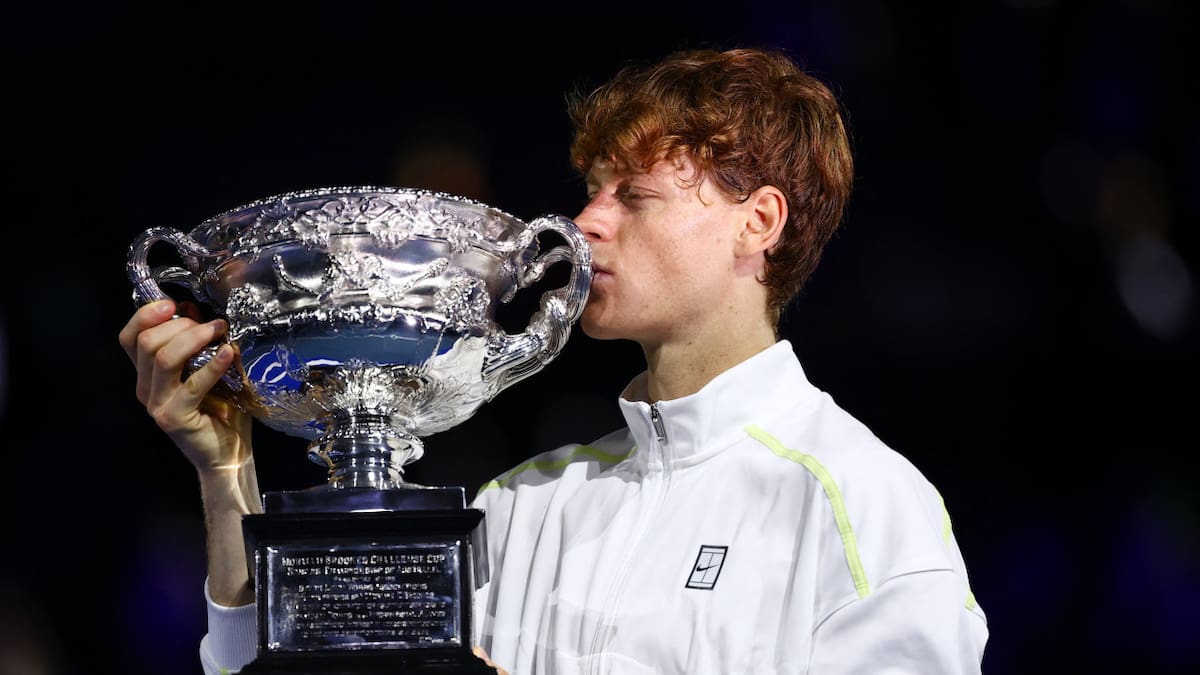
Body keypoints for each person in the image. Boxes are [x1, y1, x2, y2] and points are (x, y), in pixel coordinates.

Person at [120, 47, 988, 674]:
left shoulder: (866, 507)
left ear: (757, 223)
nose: (586, 222)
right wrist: (224, 471)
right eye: (593, 190)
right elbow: (271, 668)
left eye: (633, 197)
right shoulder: (520, 507)